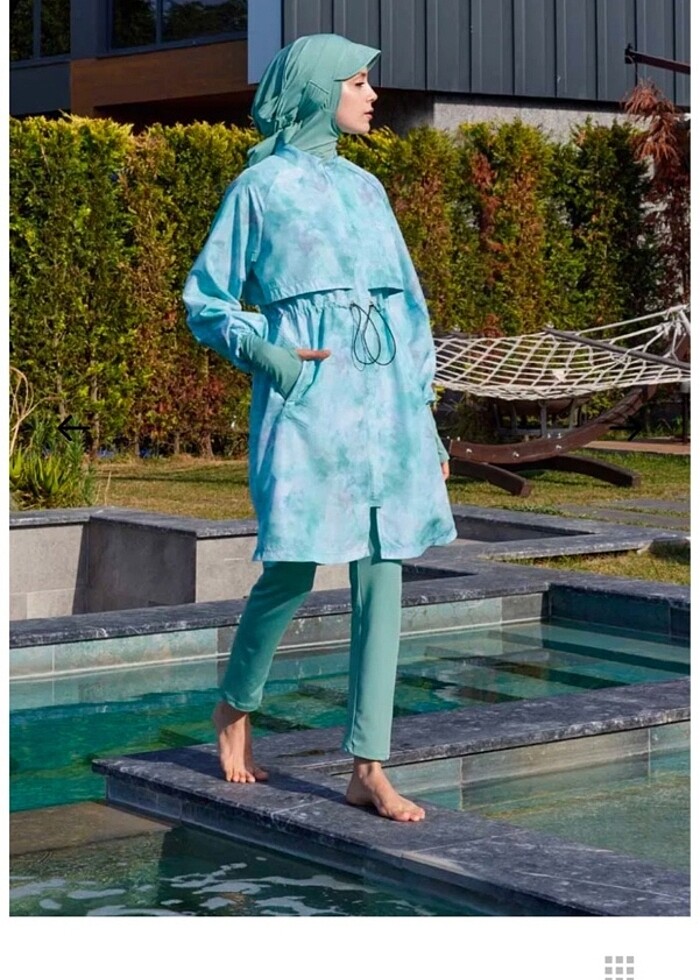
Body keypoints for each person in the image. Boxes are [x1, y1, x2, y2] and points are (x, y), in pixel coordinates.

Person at [183, 33, 456, 822]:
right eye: (357, 81)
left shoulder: (368, 189)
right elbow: (206, 301)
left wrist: (425, 419)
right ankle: (235, 706)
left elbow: (408, 309)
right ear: (314, 90)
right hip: (308, 404)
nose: (371, 95)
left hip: (387, 406)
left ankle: (368, 765)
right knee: (293, 568)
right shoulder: (259, 188)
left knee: (384, 572)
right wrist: (272, 356)